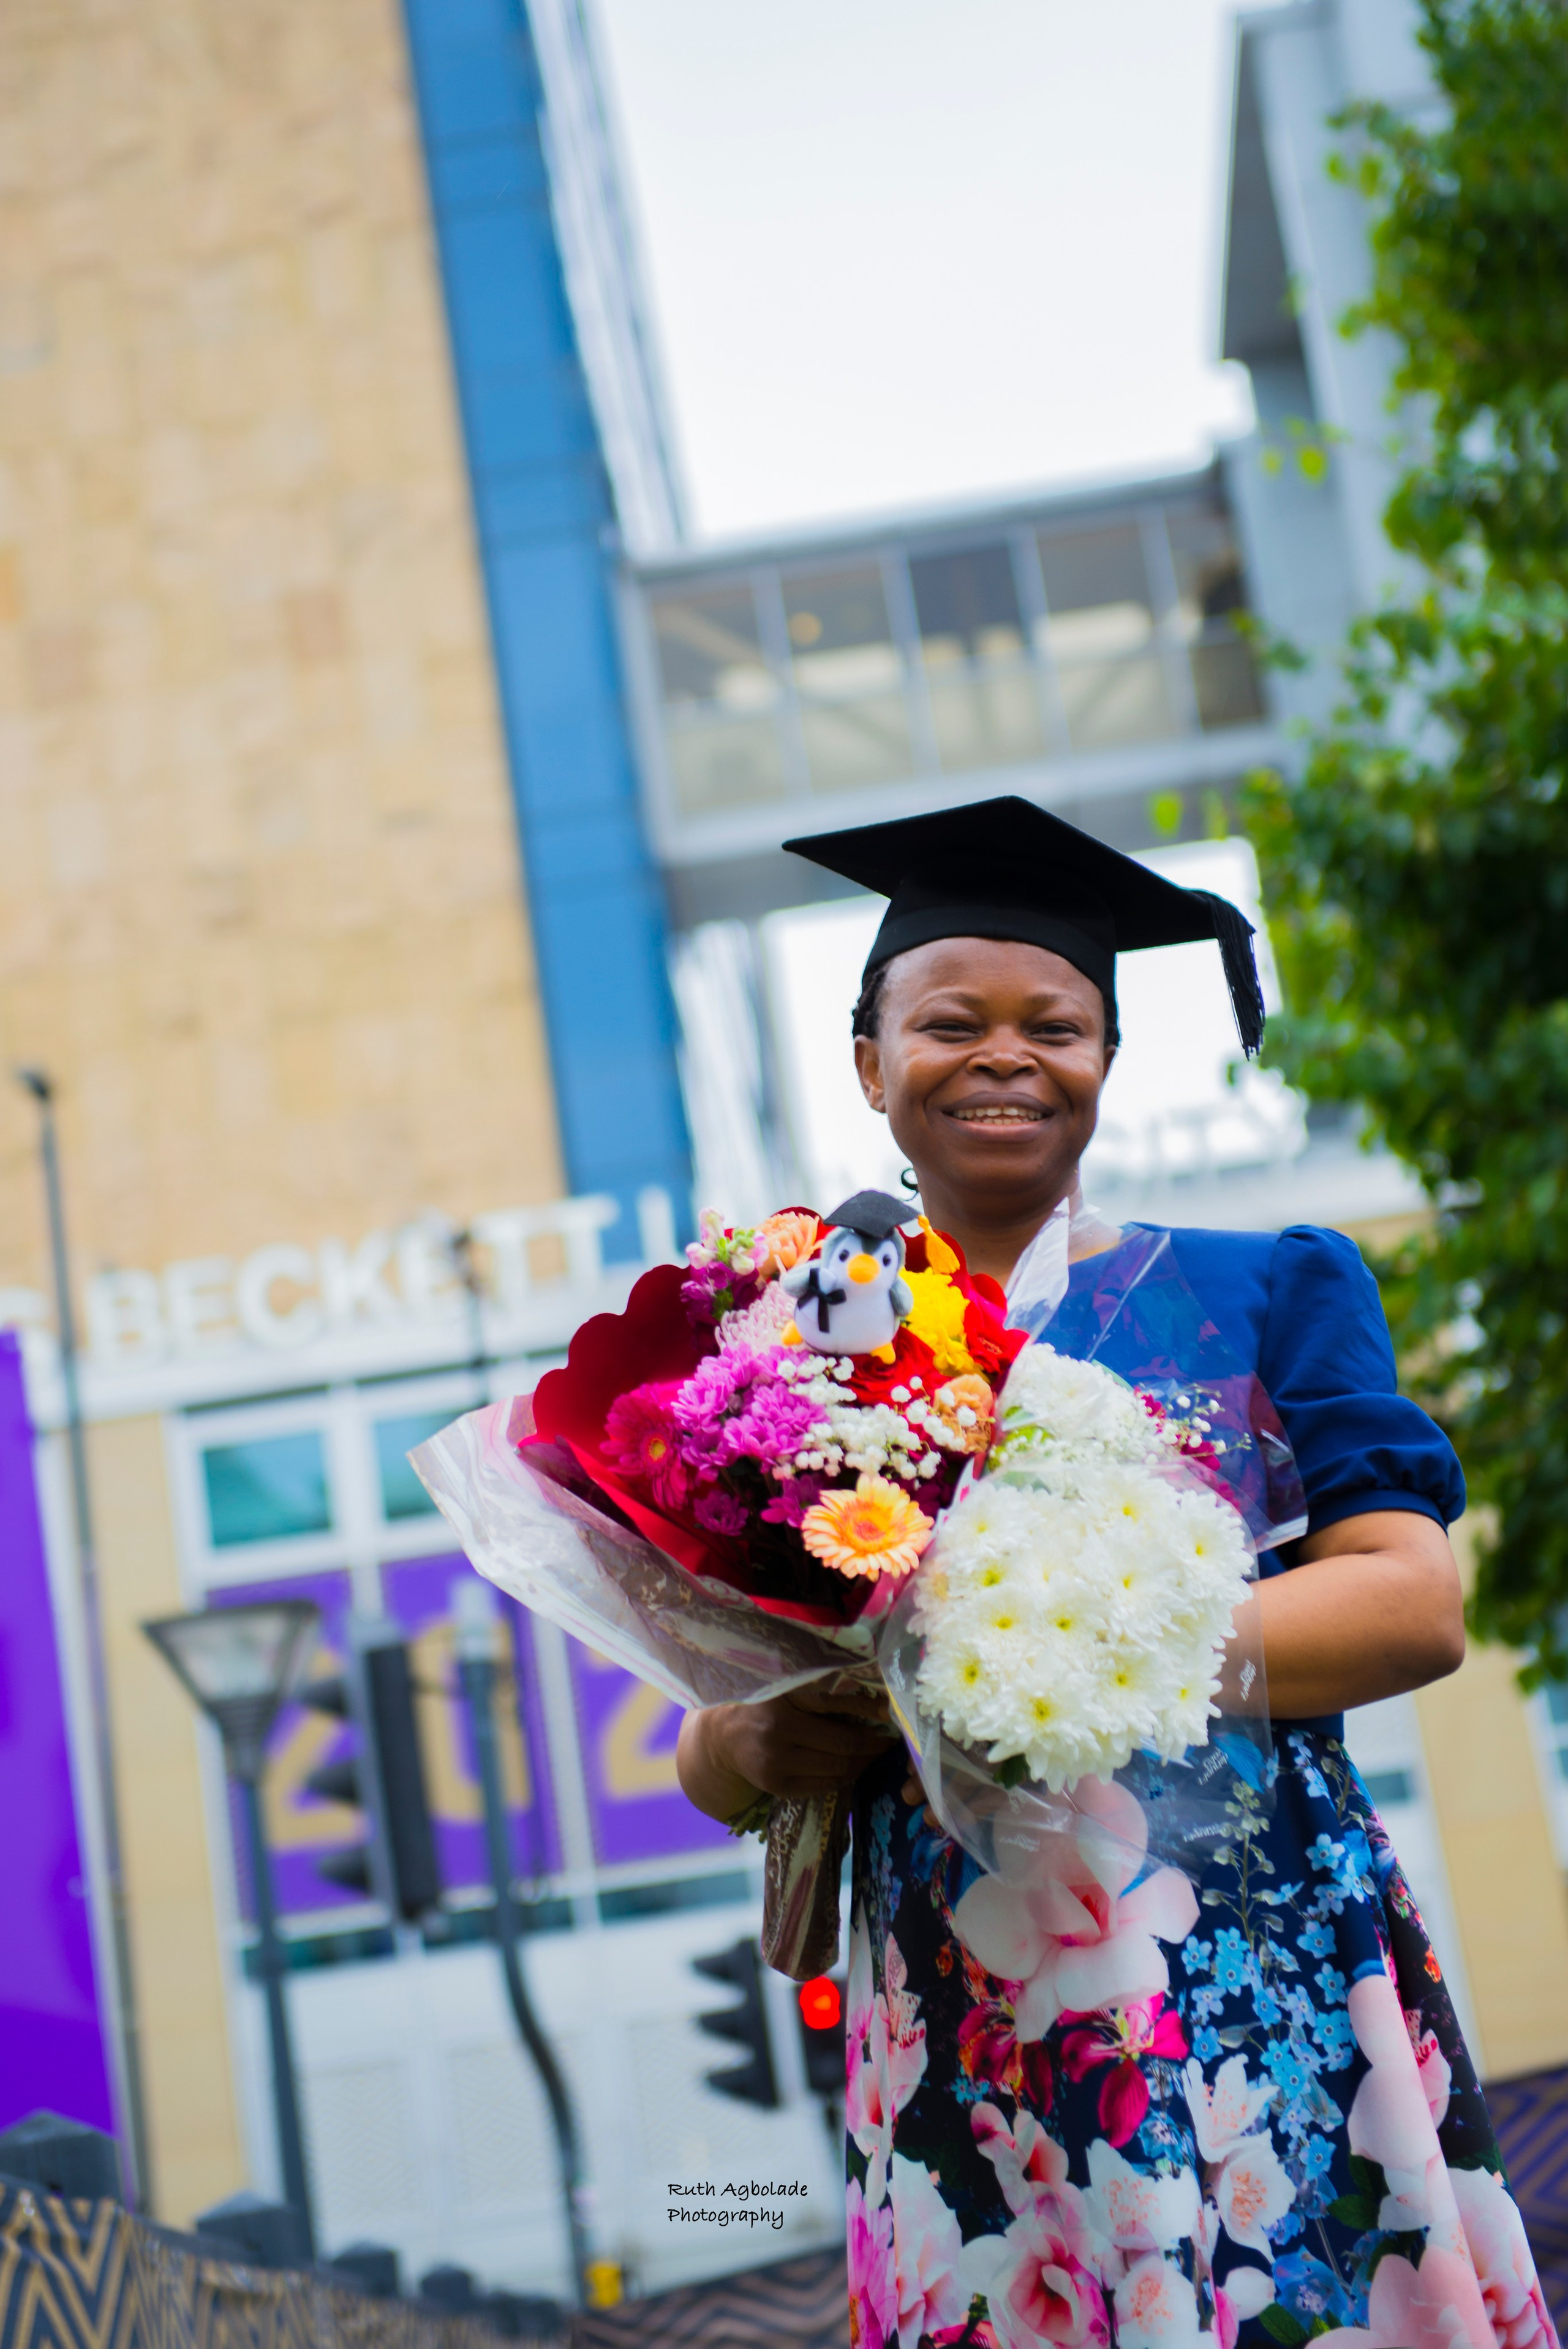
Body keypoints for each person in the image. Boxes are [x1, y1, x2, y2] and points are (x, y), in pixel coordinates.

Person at [675, 798, 1557, 2349]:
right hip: (953, 2012)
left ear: (1103, 1059)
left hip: (1248, 1965)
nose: (1004, 1055)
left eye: (1057, 1025)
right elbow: (720, 1717)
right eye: (948, 1022)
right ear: (869, 1063)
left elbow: (1410, 1601)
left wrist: (1051, 1654)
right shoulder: (782, 1359)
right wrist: (745, 1745)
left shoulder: (1258, 1289)